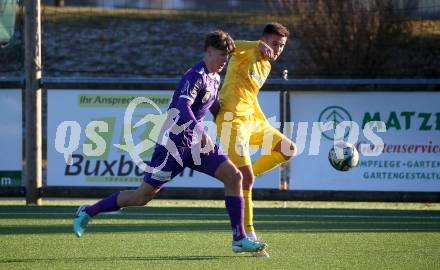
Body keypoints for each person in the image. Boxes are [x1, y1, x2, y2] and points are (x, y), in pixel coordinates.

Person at [73, 30, 267, 254]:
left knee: (234, 177)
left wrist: (231, 117)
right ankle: (87, 211)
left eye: (227, 56)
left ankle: (239, 238)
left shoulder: (214, 78)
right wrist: (199, 130)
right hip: (172, 145)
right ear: (209, 51)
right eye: (221, 55)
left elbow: (213, 106)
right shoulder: (195, 75)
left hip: (196, 144)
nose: (224, 60)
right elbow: (182, 107)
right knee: (141, 196)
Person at [215, 22, 297, 257]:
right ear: (263, 40)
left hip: (254, 121)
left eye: (281, 46)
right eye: (274, 43)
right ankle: (248, 234)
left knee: (288, 149)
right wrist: (256, 44)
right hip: (232, 121)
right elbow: (228, 46)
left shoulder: (267, 67)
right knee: (245, 179)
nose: (277, 49)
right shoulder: (246, 52)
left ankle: (244, 180)